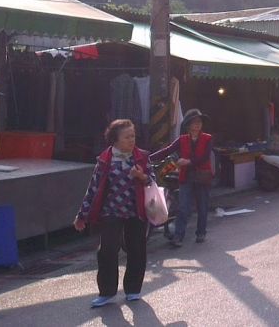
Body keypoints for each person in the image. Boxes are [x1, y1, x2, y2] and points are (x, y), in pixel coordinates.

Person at [74, 119, 151, 307]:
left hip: (136, 211)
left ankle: (133, 289)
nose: (132, 140)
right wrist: (81, 215)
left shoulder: (141, 157)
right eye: (127, 137)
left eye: (133, 136)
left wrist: (141, 176)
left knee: (137, 249)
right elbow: (93, 188)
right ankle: (107, 292)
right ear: (115, 140)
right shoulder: (105, 160)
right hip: (111, 212)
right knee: (107, 250)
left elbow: (152, 181)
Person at [150, 109, 213, 247]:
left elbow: (205, 157)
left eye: (199, 122)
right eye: (194, 122)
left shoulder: (207, 138)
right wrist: (147, 158)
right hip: (186, 177)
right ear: (188, 125)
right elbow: (167, 151)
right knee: (183, 207)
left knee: (202, 207)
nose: (197, 124)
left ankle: (201, 233)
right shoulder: (182, 139)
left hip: (202, 177)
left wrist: (188, 161)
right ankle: (178, 236)